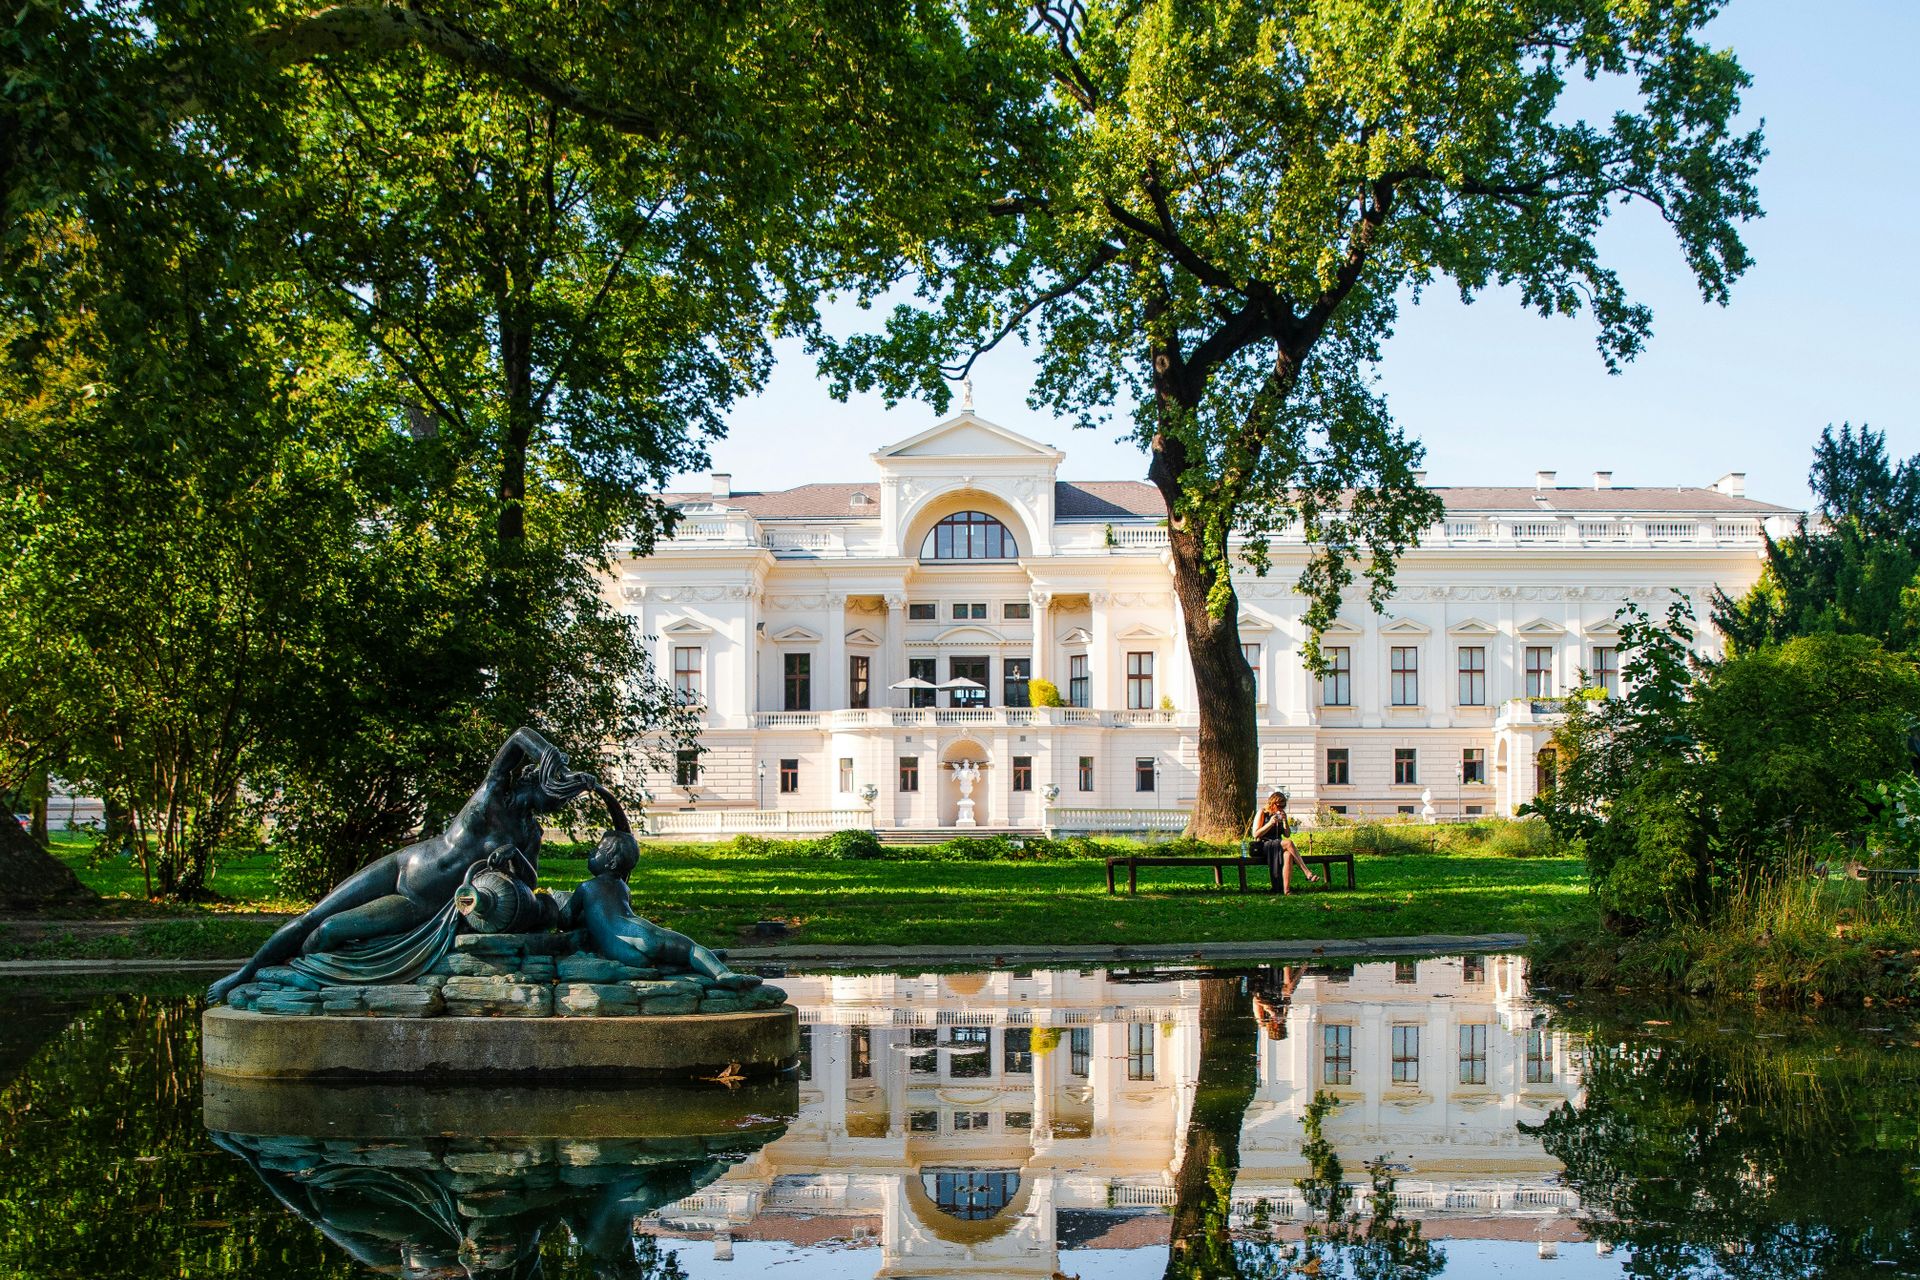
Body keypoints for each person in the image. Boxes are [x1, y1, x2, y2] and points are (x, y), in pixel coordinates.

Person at [206, 726, 600, 1003]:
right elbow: (518, 737)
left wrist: (513, 859)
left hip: (424, 906)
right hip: (404, 865)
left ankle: (308, 967)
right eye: (557, 795)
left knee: (326, 932)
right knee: (314, 916)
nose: (558, 805)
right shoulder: (491, 795)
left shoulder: (529, 834)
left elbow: (527, 887)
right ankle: (244, 973)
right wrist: (549, 752)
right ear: (539, 781)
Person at [559, 829, 738, 980]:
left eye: (597, 850)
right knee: (690, 948)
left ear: (611, 862)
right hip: (640, 931)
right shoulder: (624, 888)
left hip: (621, 949)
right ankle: (718, 971)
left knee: (651, 964)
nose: (591, 852)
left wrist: (558, 902)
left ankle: (698, 962)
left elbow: (565, 920)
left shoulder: (586, 887)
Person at [1252, 791, 1318, 895]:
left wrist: (1285, 821)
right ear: (1272, 804)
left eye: (1284, 806)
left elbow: (1287, 834)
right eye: (1279, 806)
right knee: (1289, 843)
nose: (1281, 808)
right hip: (1264, 844)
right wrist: (1270, 823)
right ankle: (1307, 872)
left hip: (1278, 843)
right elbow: (1255, 834)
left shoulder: (1281, 814)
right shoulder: (1262, 812)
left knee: (1288, 855)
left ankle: (1286, 890)